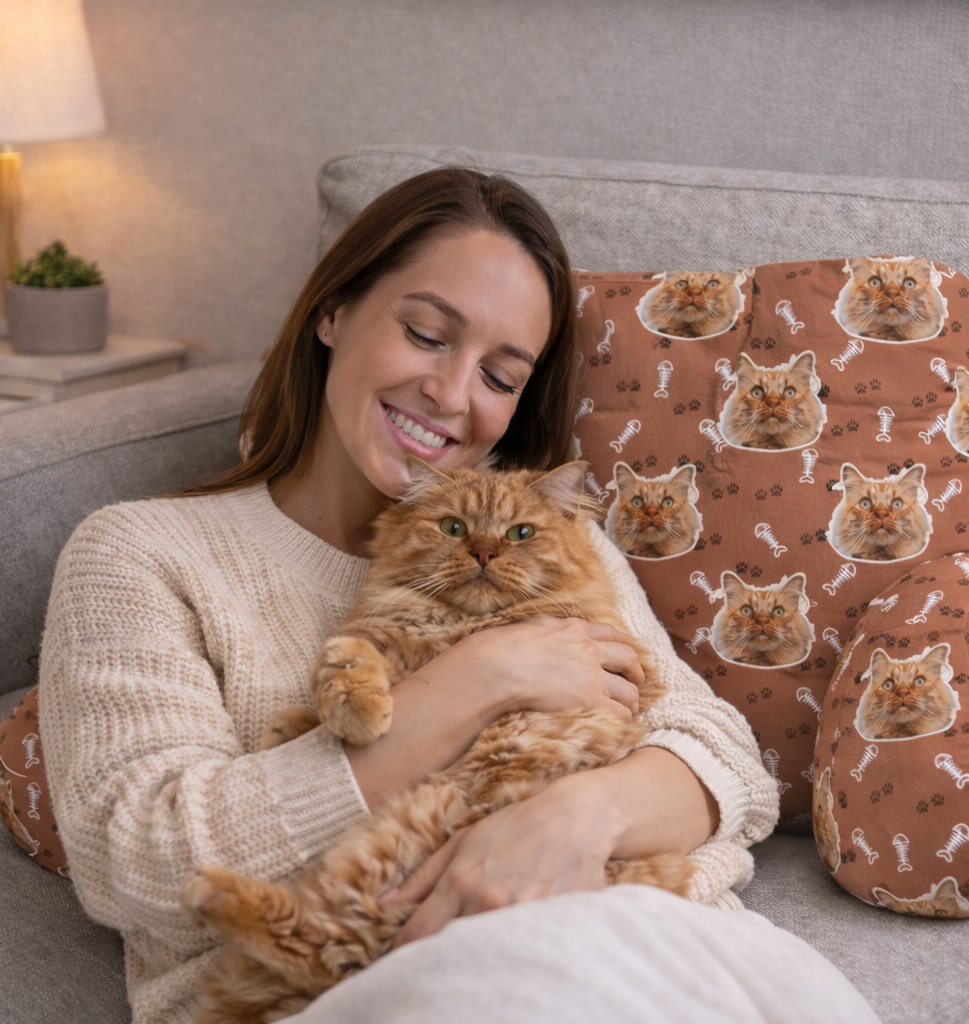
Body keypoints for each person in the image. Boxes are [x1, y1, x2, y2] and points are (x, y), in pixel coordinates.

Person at [38, 168, 873, 1024]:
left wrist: (574, 818)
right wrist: (479, 680)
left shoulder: (545, 535)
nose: (450, 395)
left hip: (661, 949)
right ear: (333, 311)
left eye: (501, 378)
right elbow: (137, 863)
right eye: (426, 334)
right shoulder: (142, 554)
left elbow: (723, 759)